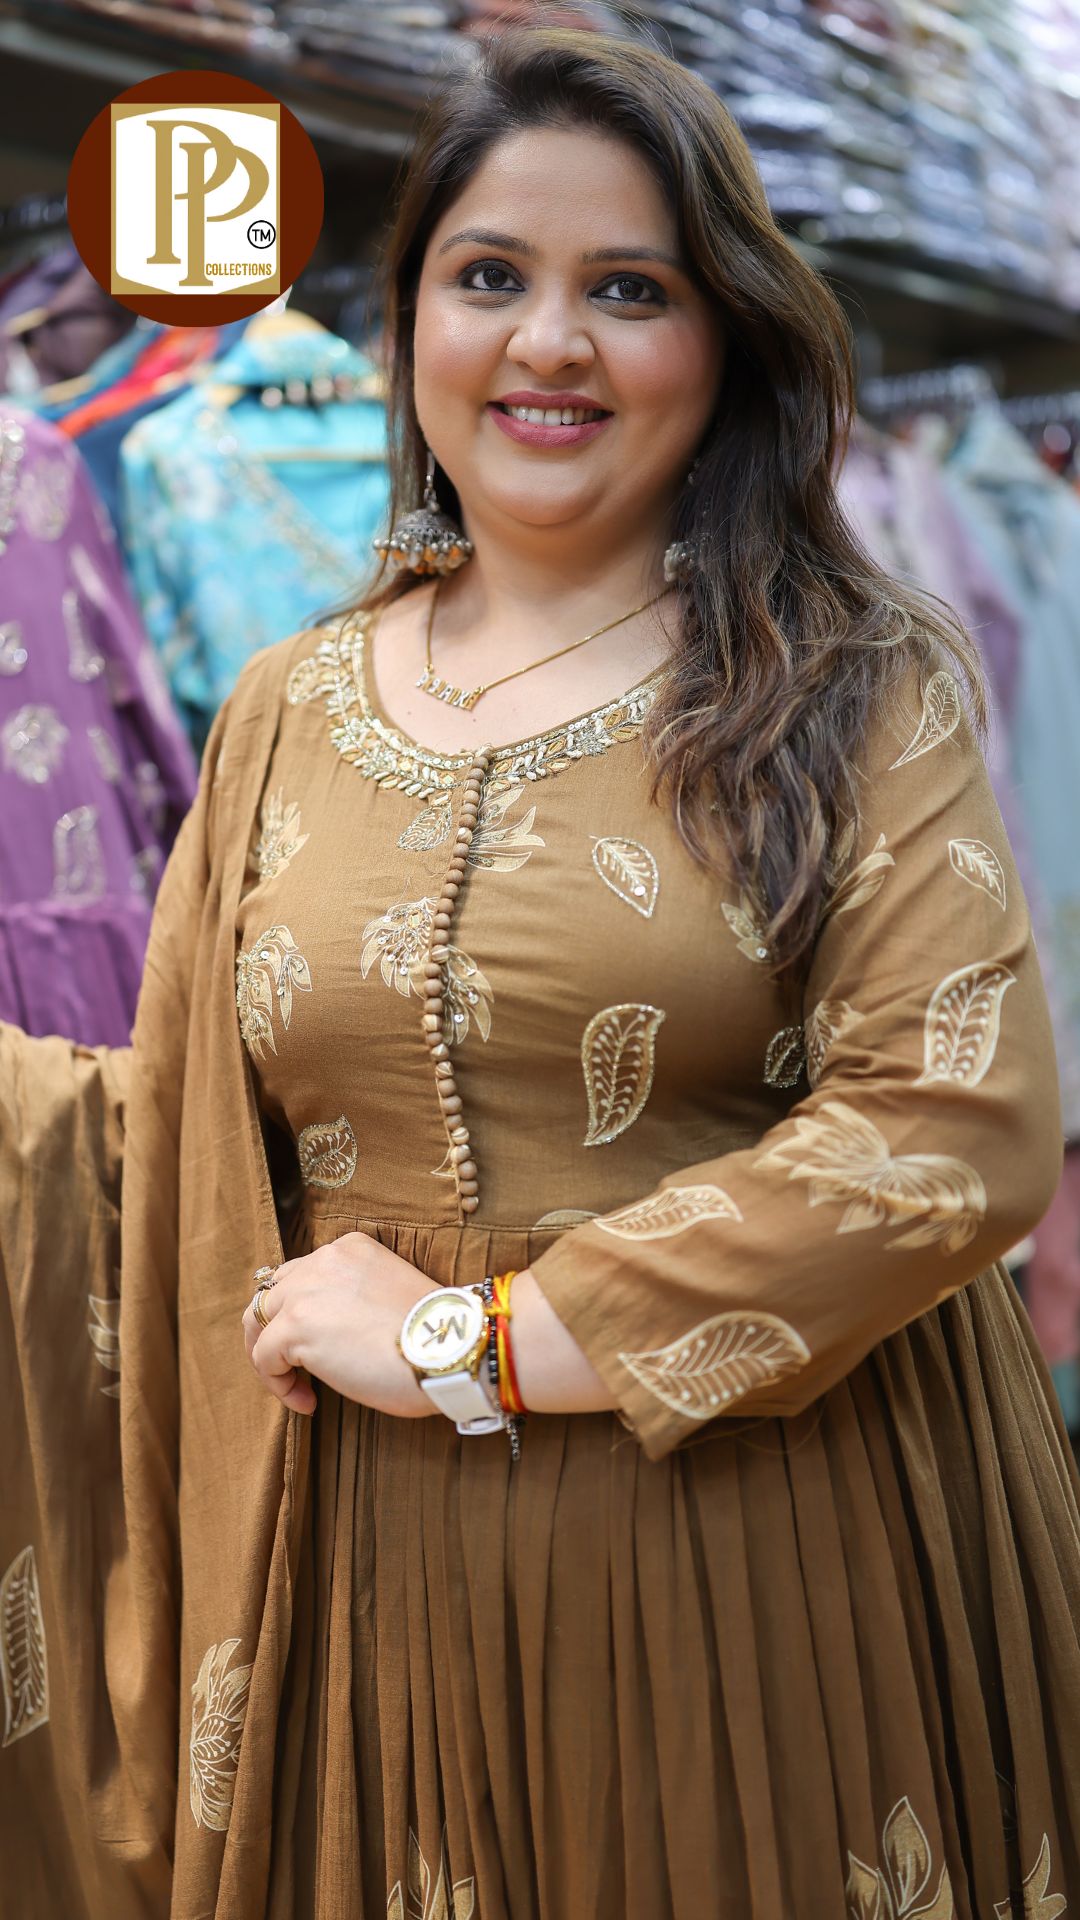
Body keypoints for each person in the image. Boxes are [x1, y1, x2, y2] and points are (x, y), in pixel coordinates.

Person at [2, 27, 1078, 1920]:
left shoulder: (849, 681)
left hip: (767, 1558)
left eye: (630, 290)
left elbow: (951, 1126)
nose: (550, 343)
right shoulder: (285, 710)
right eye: (489, 277)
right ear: (410, 322)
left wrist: (466, 1349)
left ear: (724, 340)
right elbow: (169, 1136)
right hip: (365, 1596)